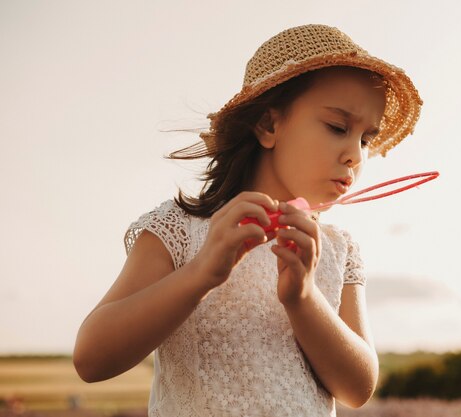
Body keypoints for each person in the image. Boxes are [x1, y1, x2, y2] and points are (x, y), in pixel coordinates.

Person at [73, 24, 422, 417]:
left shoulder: (334, 249)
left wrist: (303, 298)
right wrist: (202, 274)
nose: (355, 155)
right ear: (268, 126)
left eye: (365, 139)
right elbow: (91, 359)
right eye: (338, 128)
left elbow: (357, 389)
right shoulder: (181, 229)